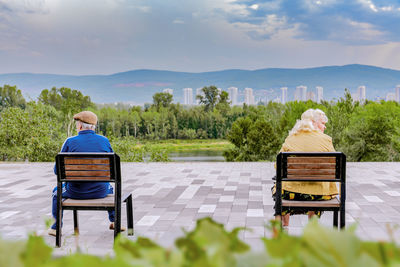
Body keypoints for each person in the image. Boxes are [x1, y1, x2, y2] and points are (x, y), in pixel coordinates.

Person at [48, 111, 122, 236]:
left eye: (77, 124)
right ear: (93, 127)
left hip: (76, 192)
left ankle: (56, 228)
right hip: (101, 191)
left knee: (56, 193)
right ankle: (114, 221)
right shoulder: (104, 141)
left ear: (80, 126)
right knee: (110, 187)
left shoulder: (70, 142)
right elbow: (112, 168)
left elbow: (57, 171)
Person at [273, 108, 338, 228]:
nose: (325, 127)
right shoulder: (326, 140)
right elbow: (335, 167)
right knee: (316, 187)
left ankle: (284, 225)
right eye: (323, 124)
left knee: (279, 188)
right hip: (319, 196)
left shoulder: (291, 138)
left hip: (291, 194)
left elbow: (277, 165)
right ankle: (312, 227)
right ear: (313, 123)